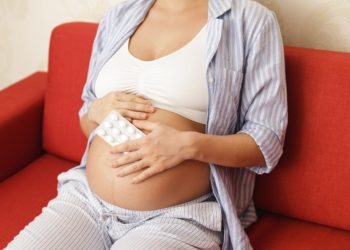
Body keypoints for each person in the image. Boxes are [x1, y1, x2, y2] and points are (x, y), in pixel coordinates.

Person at [6, 0, 288, 249]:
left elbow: (266, 143)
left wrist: (188, 145)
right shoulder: (119, 15)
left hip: (178, 215)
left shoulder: (250, 20)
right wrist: (95, 110)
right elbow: (87, 118)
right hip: (87, 199)